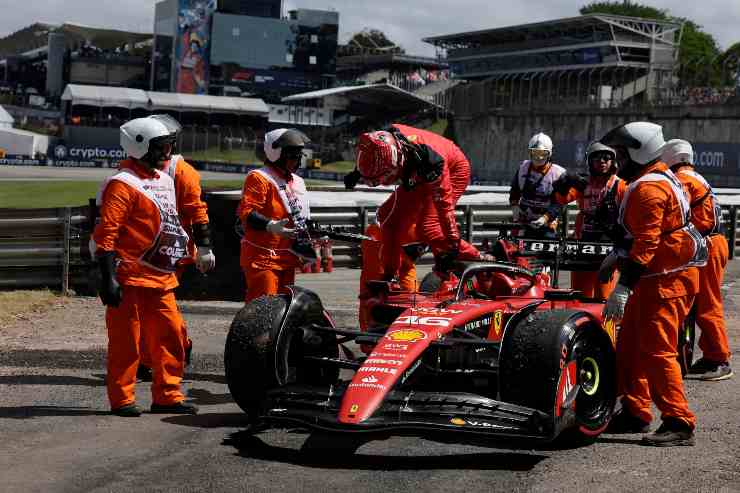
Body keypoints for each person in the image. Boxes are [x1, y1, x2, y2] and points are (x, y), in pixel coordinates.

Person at [600, 122, 707, 446]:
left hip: (665, 281)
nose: (617, 161)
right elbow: (642, 236)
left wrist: (622, 286)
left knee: (658, 351)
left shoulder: (649, 188)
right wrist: (618, 255)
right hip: (656, 277)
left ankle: (678, 420)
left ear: (638, 152)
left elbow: (646, 243)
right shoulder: (656, 178)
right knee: (630, 345)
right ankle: (636, 412)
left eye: (621, 154)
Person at [92, 117, 197, 416]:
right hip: (129, 276)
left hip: (161, 276)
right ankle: (122, 399)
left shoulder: (164, 180)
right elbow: (107, 234)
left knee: (171, 335)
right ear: (138, 147)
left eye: (168, 146)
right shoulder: (122, 184)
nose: (167, 152)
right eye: (160, 147)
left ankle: (167, 395)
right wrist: (108, 278)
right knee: (126, 342)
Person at [345, 123, 484, 281]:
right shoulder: (382, 141)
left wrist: (452, 243)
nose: (380, 182)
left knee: (430, 227)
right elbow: (371, 153)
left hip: (452, 169)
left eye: (381, 179)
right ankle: (390, 276)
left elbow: (444, 208)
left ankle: (478, 258)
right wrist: (359, 172)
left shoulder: (430, 163)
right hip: (419, 172)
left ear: (396, 165)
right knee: (389, 219)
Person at [134, 114, 215, 379]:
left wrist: (204, 247)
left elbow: (198, 212)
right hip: (142, 251)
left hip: (172, 254)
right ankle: (148, 359)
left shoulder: (182, 172)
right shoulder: (138, 167)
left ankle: (175, 349)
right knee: (143, 311)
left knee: (160, 310)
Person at [662, 139, 733, 381]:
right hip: (712, 243)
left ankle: (720, 359)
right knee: (703, 303)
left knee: (707, 304)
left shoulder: (682, 180)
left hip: (707, 245)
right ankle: (712, 354)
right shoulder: (696, 177)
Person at [237, 128, 313, 302]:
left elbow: (302, 219)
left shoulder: (298, 182)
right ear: (276, 153)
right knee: (264, 311)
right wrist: (270, 225)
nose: (298, 160)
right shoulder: (259, 178)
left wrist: (309, 245)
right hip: (263, 258)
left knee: (283, 313)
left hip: (288, 258)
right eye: (293, 156)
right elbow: (247, 213)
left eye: (299, 156)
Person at [553, 141, 626, 300]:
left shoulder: (620, 185)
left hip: (608, 249)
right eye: (597, 158)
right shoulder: (582, 183)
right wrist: (562, 183)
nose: (602, 161)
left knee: (604, 298)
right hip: (582, 245)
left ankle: (607, 326)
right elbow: (561, 200)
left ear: (612, 162)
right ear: (589, 161)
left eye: (607, 158)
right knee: (579, 296)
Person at [509, 133, 566, 239]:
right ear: (530, 152)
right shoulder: (523, 168)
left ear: (549, 154)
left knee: (546, 249)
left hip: (547, 222)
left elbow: (558, 203)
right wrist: (515, 207)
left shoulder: (558, 174)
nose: (539, 157)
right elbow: (515, 190)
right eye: (535, 153)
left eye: (542, 153)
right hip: (524, 220)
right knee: (514, 247)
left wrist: (545, 218)